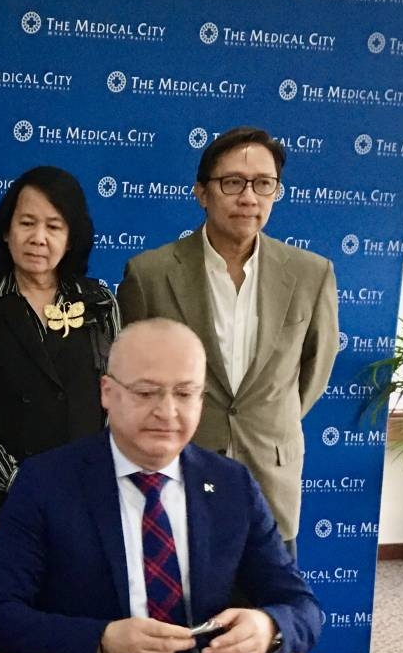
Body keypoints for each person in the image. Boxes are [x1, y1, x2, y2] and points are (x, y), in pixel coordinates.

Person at [0, 319, 322, 653]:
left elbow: (301, 606)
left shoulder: (232, 485)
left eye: (185, 393)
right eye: (146, 392)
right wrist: (101, 639)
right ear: (107, 392)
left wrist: (267, 628)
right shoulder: (46, 483)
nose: (167, 411)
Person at [116, 126, 339, 551]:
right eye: (233, 182)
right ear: (202, 192)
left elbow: (314, 370)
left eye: (263, 184)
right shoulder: (149, 274)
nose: (249, 197)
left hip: (270, 478)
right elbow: (131, 377)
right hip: (176, 472)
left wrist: (269, 416)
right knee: (177, 613)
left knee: (266, 612)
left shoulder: (311, 274)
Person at [0, 166, 120, 579]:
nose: (38, 238)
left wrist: (98, 477)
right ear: (6, 231)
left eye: (53, 226)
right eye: (26, 223)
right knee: (9, 625)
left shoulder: (100, 303)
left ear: (71, 236)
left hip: (89, 498)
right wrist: (19, 483)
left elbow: (120, 397)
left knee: (84, 623)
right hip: (8, 499)